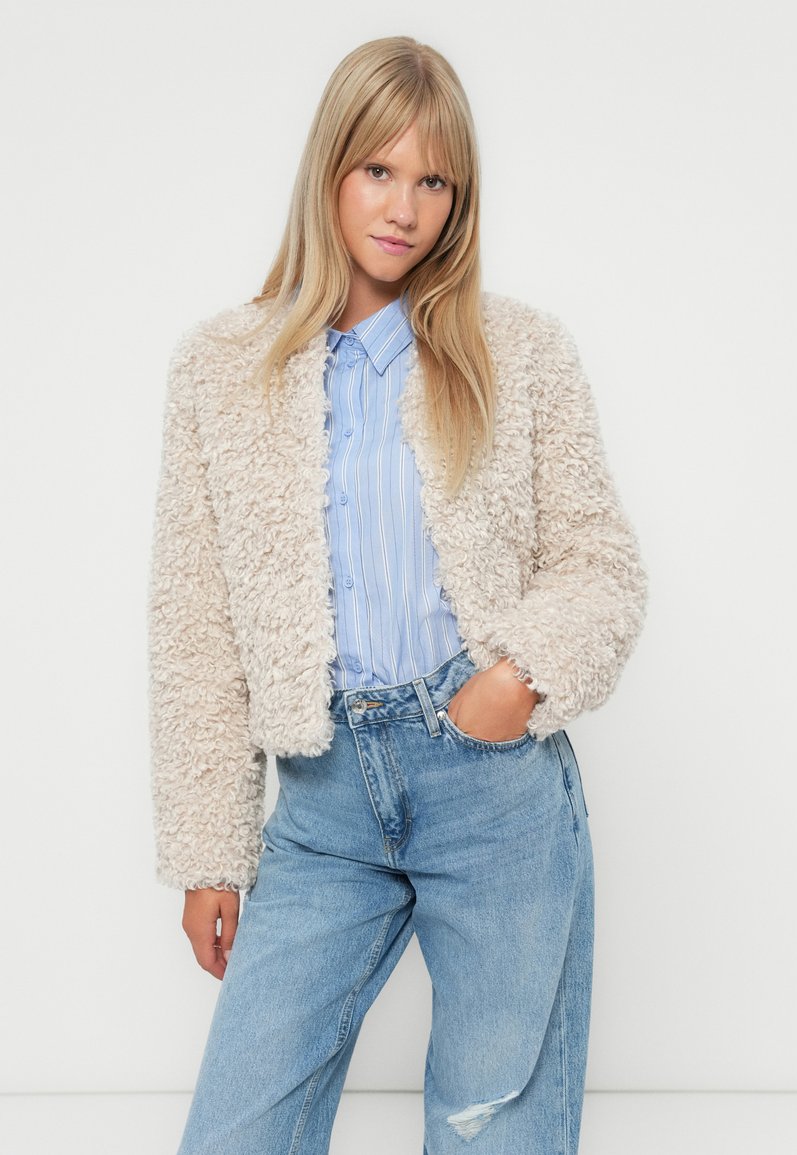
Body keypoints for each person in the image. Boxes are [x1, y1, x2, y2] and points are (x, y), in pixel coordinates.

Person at [148, 35, 647, 1155]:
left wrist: (515, 681)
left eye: (434, 182)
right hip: (322, 801)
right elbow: (195, 631)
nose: (404, 208)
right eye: (378, 169)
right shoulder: (220, 370)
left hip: (493, 790)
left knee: (491, 1133)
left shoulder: (519, 354)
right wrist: (210, 853)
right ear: (329, 167)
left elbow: (600, 561)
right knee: (235, 1132)